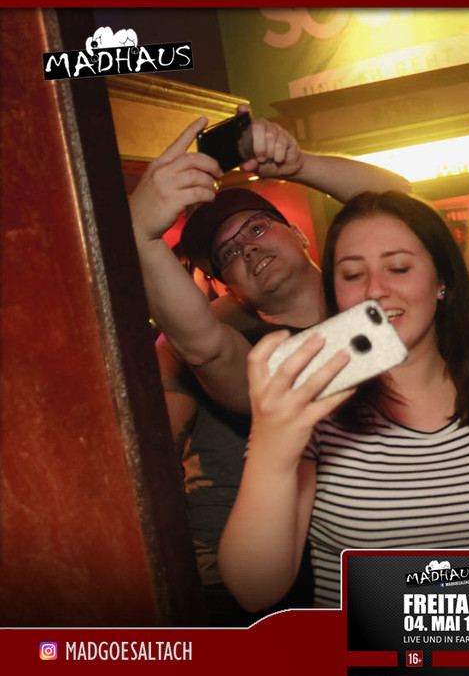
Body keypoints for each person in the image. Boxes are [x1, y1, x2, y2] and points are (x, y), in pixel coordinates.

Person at [218, 191, 469, 611]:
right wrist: (272, 450)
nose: (375, 289)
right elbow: (254, 590)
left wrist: (445, 606)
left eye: (398, 268)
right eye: (352, 274)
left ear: (441, 279)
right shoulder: (308, 401)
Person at [130, 107, 409, 621]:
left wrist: (299, 165)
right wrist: (141, 235)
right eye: (229, 254)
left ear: (299, 234)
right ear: (229, 288)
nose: (248, 248)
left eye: (257, 228)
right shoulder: (264, 359)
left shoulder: (377, 307)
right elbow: (206, 348)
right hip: (293, 584)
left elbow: (404, 208)